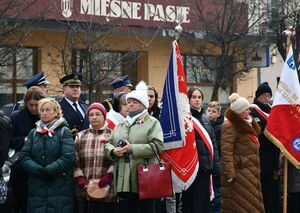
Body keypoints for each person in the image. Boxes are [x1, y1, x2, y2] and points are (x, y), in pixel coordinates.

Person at [105, 81, 164, 213]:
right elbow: (108, 144)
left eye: (134, 102)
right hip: (124, 181)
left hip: (144, 180)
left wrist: (133, 149)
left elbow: (158, 146)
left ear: (143, 105)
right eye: (128, 102)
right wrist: (114, 151)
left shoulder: (152, 123)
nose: (130, 104)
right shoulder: (121, 125)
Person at [19, 97, 75, 213]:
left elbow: (68, 157)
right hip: (36, 185)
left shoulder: (64, 131)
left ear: (56, 112)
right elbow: (24, 156)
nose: (44, 113)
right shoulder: (33, 133)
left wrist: (49, 170)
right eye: (42, 110)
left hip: (60, 186)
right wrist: (38, 169)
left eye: (48, 110)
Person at [221, 93, 264, 212]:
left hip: (250, 171)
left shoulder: (246, 124)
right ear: (239, 112)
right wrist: (230, 174)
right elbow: (226, 151)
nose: (249, 112)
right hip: (239, 173)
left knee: (251, 204)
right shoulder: (229, 126)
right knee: (241, 206)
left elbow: (256, 133)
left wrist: (251, 122)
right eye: (246, 110)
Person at [182, 87, 220, 213]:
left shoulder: (205, 119)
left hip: (205, 169)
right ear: (188, 99)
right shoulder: (185, 118)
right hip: (192, 169)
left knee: (204, 204)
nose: (197, 100)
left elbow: (213, 144)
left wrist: (215, 166)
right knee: (192, 204)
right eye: (194, 97)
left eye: (199, 97)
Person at [74, 102, 117, 213]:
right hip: (85, 190)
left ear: (104, 116)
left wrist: (108, 176)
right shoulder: (80, 135)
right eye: (91, 115)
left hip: (108, 190)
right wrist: (80, 179)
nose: (94, 117)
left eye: (98, 114)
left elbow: (118, 159)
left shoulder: (113, 135)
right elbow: (74, 160)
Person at [9, 86, 46, 213]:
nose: (34, 108)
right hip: (21, 168)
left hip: (42, 167)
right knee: (20, 203)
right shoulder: (16, 117)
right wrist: (24, 140)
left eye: (37, 105)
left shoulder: (47, 116)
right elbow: (8, 141)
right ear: (26, 103)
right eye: (31, 105)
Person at [249, 82, 280, 213]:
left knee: (273, 193)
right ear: (258, 96)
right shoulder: (252, 110)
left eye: (269, 95)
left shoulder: (273, 110)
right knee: (261, 192)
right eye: (264, 95)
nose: (267, 98)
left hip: (274, 159)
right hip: (260, 157)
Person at [206, 101, 224, 213]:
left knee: (217, 198)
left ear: (218, 114)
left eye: (213, 112)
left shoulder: (221, 127)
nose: (210, 114)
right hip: (208, 165)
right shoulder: (204, 124)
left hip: (217, 166)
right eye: (209, 111)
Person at [59, 73, 89, 138]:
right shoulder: (58, 108)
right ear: (64, 89)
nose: (75, 89)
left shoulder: (86, 107)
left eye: (77, 86)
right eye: (72, 86)